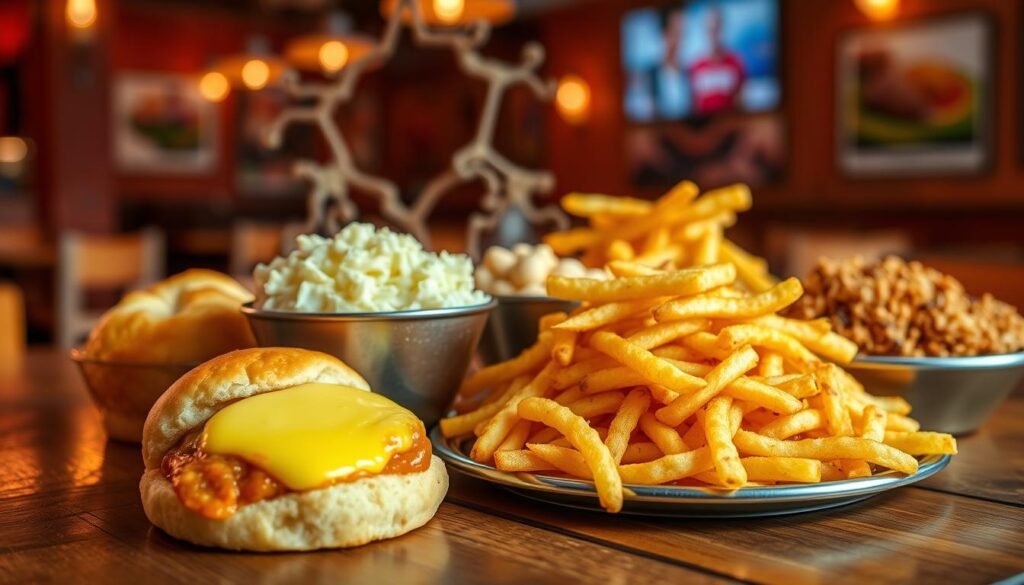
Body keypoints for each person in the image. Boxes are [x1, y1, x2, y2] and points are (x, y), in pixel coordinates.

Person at [687, 6, 745, 116]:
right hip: (703, 129)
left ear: (722, 28)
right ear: (705, 30)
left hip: (730, 125)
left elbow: (741, 102)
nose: (713, 34)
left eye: (716, 29)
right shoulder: (695, 66)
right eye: (710, 29)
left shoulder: (735, 62)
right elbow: (692, 106)